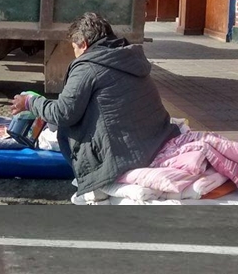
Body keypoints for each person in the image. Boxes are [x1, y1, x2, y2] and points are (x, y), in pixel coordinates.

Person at [11, 11, 179, 197]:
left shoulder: (88, 66)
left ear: (83, 44)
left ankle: (101, 183)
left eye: (74, 48)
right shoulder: (128, 57)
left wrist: (30, 102)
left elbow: (63, 113)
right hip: (155, 141)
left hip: (124, 157)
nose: (74, 54)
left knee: (66, 128)